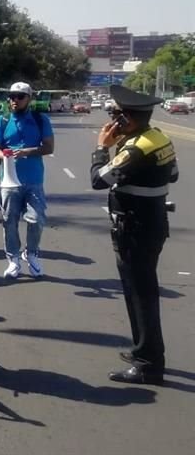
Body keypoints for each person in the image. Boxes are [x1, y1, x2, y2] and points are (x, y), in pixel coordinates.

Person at [91, 85, 178, 384]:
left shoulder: (137, 148)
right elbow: (174, 173)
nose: (112, 121)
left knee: (140, 295)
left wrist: (102, 147)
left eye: (116, 115)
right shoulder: (158, 139)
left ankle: (148, 364)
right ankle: (144, 348)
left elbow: (98, 180)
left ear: (127, 119)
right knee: (141, 291)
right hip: (150, 223)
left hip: (136, 228)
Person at [0, 82, 54, 279]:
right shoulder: (2, 121)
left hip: (33, 179)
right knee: (9, 221)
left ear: (29, 98)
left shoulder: (40, 119)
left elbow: (49, 147)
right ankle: (13, 259)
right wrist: (5, 155)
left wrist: (27, 151)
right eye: (11, 96)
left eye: (19, 96)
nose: (14, 100)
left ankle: (31, 253)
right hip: (9, 182)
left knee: (36, 219)